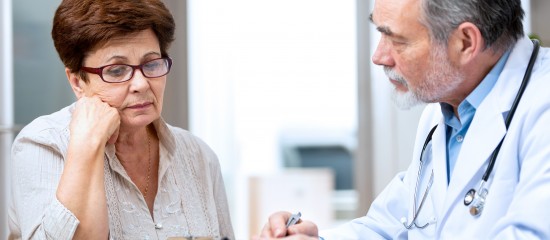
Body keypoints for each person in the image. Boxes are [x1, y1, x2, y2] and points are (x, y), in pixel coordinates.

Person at [259, 0, 550, 239]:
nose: (379, 56)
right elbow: (391, 225)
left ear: (464, 42)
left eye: (397, 40)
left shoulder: (541, 108)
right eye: (380, 34)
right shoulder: (442, 116)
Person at [8, 0, 234, 239]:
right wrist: (87, 146)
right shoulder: (43, 144)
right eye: (116, 70)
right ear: (77, 82)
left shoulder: (199, 155)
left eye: (152, 63)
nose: (141, 84)